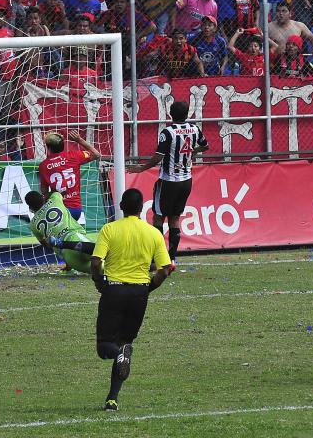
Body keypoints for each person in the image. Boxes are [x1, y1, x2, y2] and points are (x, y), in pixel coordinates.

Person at [90, 188, 174, 411]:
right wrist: (149, 288)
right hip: (139, 293)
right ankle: (112, 399)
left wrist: (98, 282)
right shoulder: (153, 233)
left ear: (120, 206)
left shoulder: (109, 229)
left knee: (105, 347)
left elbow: (96, 262)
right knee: (124, 343)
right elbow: (165, 269)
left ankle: (118, 355)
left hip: (114, 291)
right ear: (141, 208)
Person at [131, 101, 208, 261]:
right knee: (175, 218)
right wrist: (193, 152)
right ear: (187, 114)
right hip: (186, 180)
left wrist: (141, 169)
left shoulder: (168, 132)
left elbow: (158, 157)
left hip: (168, 181)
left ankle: (158, 258)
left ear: (170, 114)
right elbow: (205, 146)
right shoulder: (195, 129)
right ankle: (172, 258)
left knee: (158, 217)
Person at [25, 190, 93, 274]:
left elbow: (47, 244)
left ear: (30, 208)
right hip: (75, 238)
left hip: (67, 254)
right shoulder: (55, 199)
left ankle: (70, 263)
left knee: (101, 270)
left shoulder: (33, 225)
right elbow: (54, 192)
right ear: (42, 197)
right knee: (106, 260)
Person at [38, 130, 101, 220]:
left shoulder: (43, 166)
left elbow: (44, 191)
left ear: (48, 148)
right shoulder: (73, 156)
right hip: (76, 209)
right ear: (63, 145)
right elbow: (97, 154)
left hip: (58, 210)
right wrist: (79, 140)